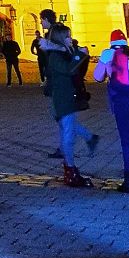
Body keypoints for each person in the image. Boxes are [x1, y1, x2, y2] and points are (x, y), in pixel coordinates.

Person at [93, 29, 129, 193]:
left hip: (122, 101)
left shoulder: (108, 54)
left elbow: (97, 77)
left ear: (111, 42)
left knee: (126, 141)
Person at [43, 23, 99, 186]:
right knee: (67, 135)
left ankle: (88, 140)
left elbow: (77, 70)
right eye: (67, 36)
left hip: (66, 97)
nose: (70, 38)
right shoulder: (55, 55)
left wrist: (79, 54)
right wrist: (79, 55)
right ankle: (71, 171)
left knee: (68, 128)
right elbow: (69, 69)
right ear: (60, 38)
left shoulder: (63, 52)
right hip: (61, 99)